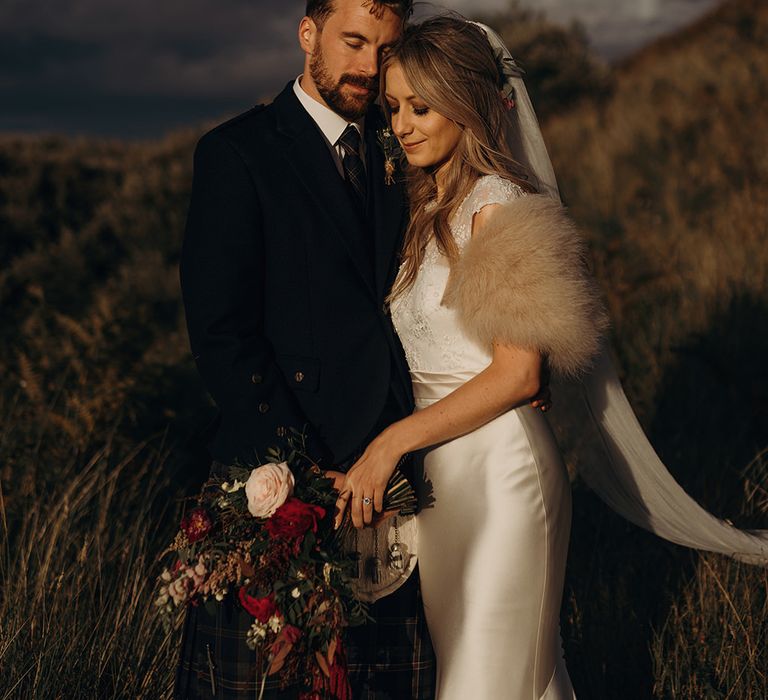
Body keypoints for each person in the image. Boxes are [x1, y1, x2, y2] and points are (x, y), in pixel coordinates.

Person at [333, 16, 768, 700]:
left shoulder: (499, 206)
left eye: (421, 105)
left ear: (468, 101)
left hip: (503, 479)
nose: (402, 124)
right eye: (394, 108)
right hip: (444, 488)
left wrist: (390, 443)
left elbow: (519, 372)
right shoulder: (424, 210)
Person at [175, 1, 436, 697]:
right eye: (353, 42)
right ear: (307, 33)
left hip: (391, 483)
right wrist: (301, 471)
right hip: (282, 475)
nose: (369, 67)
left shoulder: (400, 143)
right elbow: (223, 334)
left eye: (385, 48)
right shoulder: (238, 153)